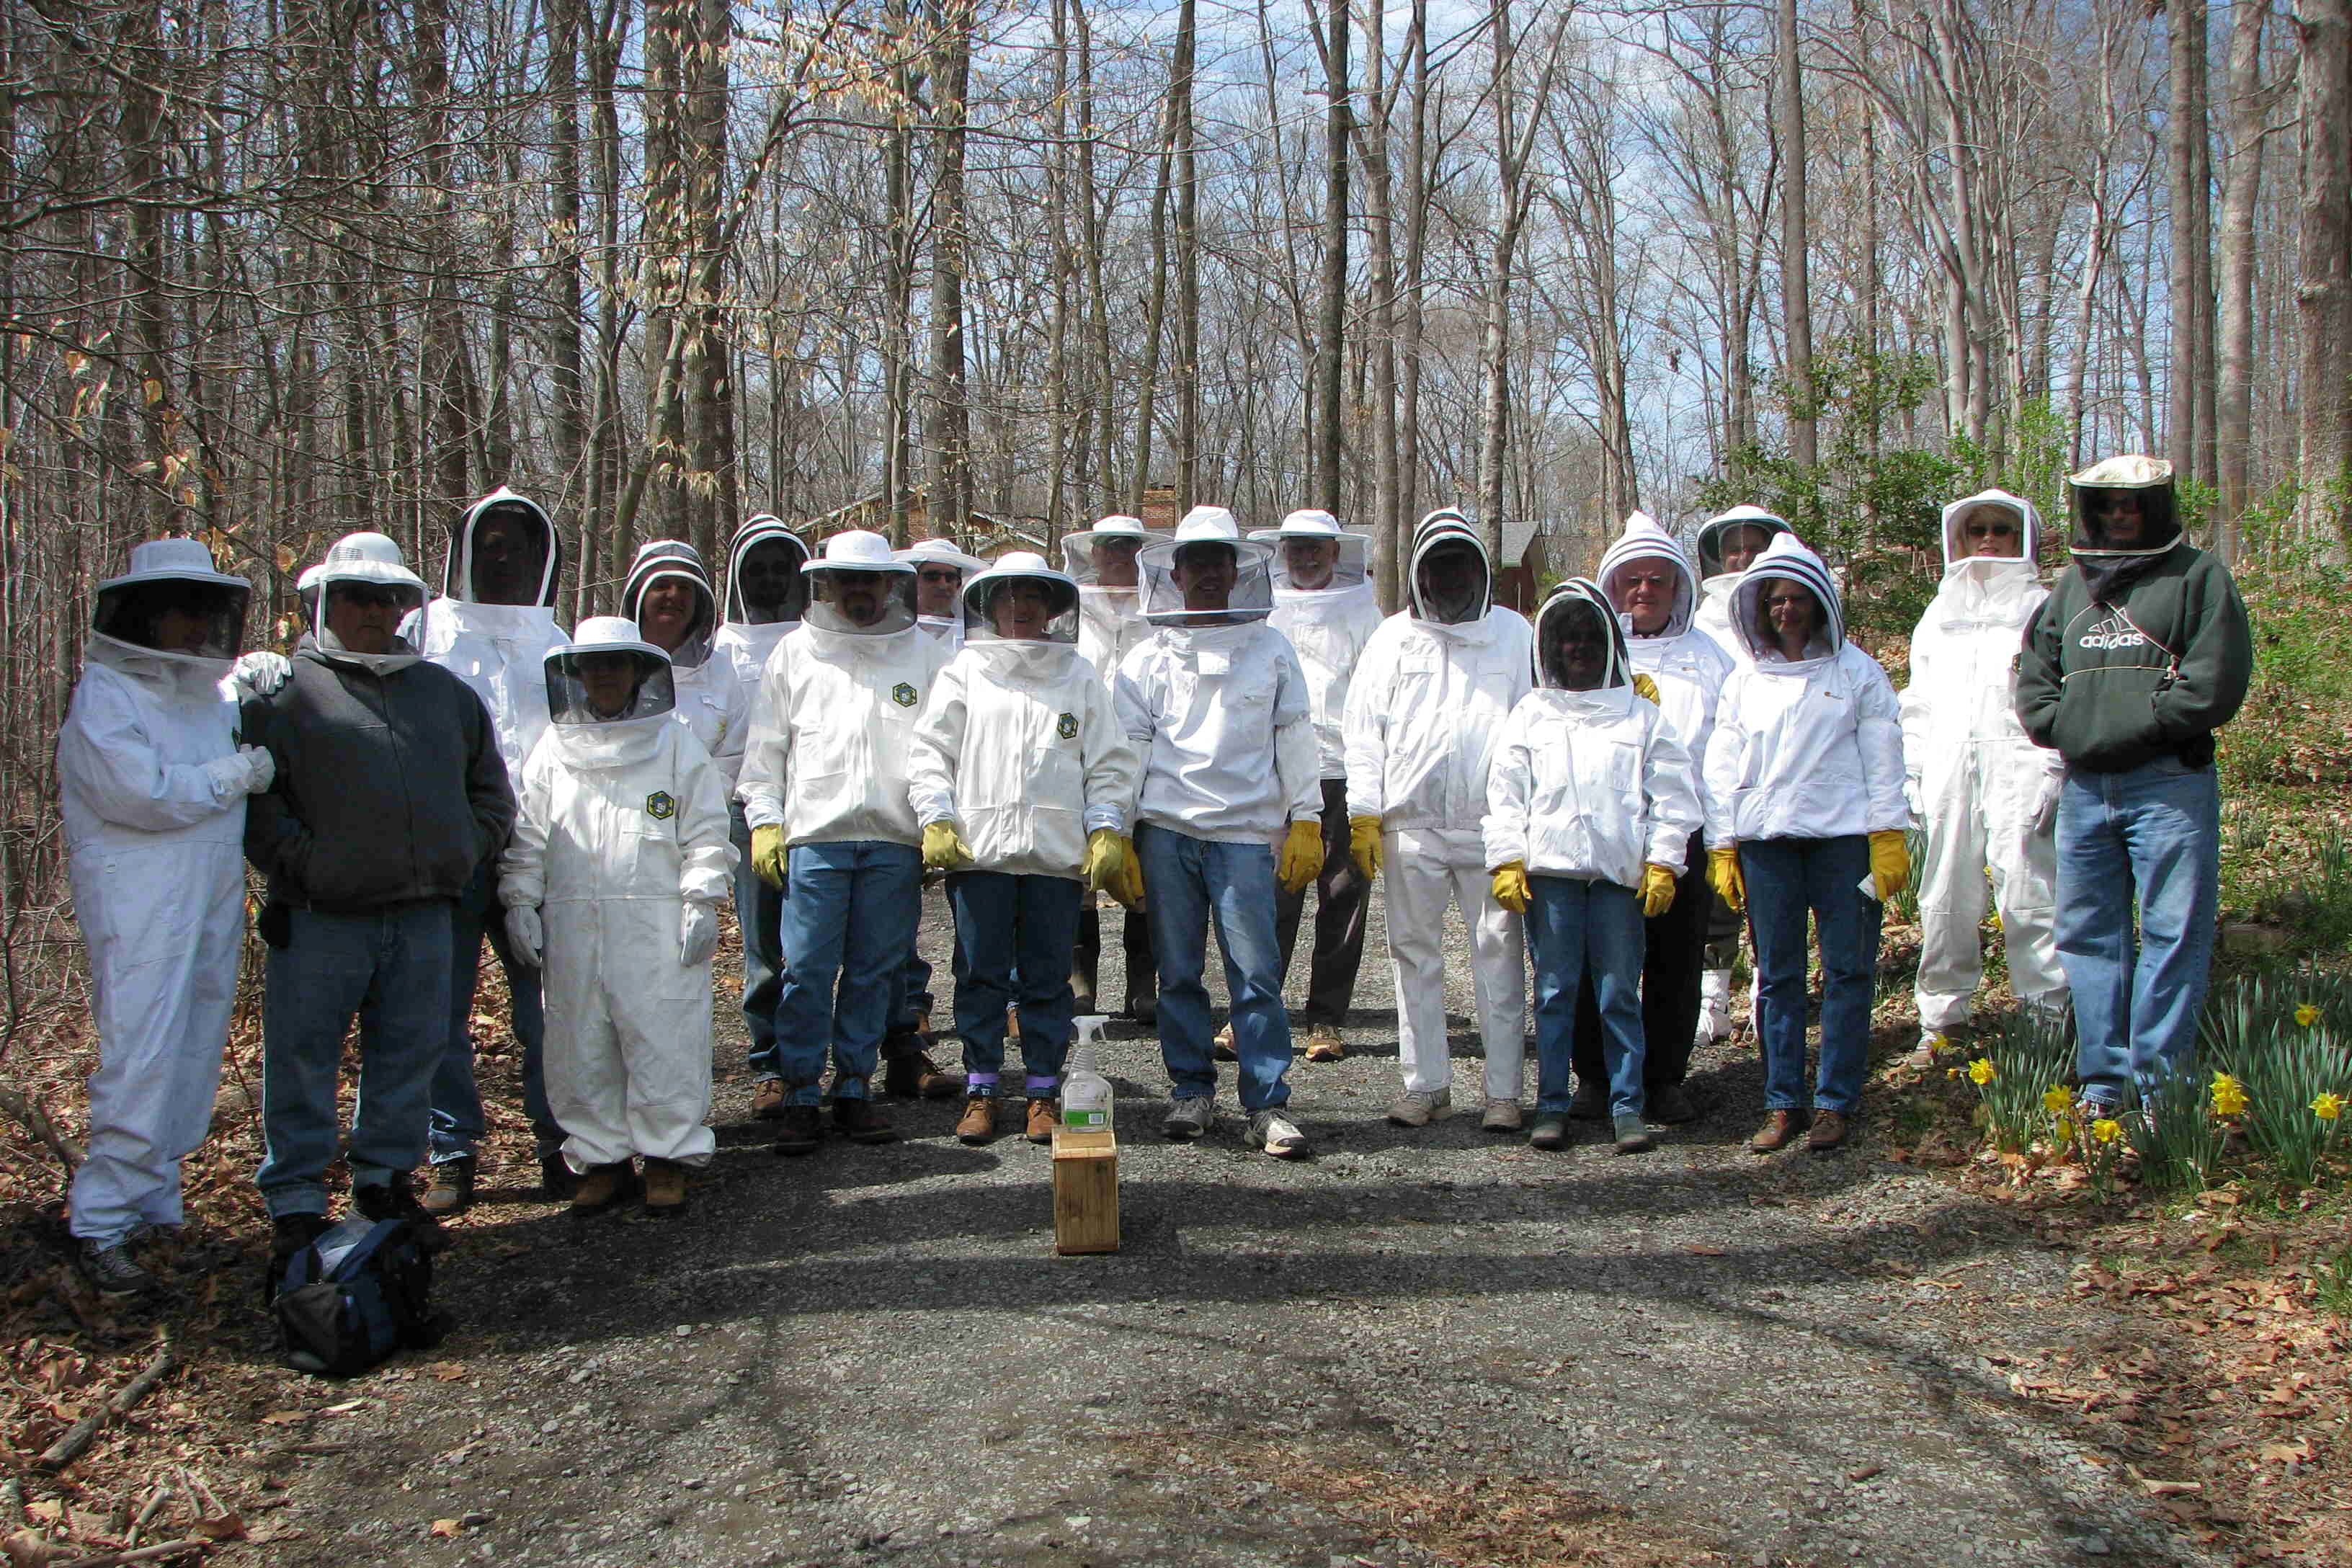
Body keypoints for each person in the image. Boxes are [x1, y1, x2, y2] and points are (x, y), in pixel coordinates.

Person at [241, 533, 513, 1266]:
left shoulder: (445, 694)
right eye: (357, 596)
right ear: (322, 600)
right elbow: (258, 801)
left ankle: (385, 1181)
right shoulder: (284, 695)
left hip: (424, 912)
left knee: (409, 1054)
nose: (374, 611)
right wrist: (309, 865)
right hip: (320, 916)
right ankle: (296, 1200)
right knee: (301, 1059)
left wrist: (462, 849)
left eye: (388, 598)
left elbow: (491, 795)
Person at [58, 540, 274, 1297]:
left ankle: (155, 1198)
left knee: (192, 1044)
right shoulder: (107, 693)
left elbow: (227, 721)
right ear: (145, 613)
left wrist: (262, 680)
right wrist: (233, 773)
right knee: (143, 1046)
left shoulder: (202, 699)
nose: (193, 625)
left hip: (207, 891)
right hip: (140, 897)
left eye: (202, 609)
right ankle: (102, 1220)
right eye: (181, 609)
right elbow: (140, 794)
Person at [2016, 455, 2252, 1115]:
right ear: (2092, 510)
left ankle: (2159, 1091)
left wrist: (2144, 724)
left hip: (2169, 782)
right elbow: (2036, 678)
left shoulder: (2199, 577)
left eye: (2135, 504)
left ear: (2157, 507)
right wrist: (2071, 728)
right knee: (2088, 937)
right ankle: (2103, 1084)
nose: (2122, 515)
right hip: (2087, 788)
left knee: (2174, 934)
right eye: (2110, 505)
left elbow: (2217, 679)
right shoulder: (2070, 587)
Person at [499, 618, 734, 1217]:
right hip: (573, 917)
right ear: (575, 675)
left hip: (657, 918)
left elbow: (707, 830)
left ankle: (667, 1157)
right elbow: (527, 834)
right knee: (580, 1041)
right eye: (593, 666)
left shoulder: (676, 743)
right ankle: (602, 1158)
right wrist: (520, 899)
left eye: (616, 664)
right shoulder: (552, 749)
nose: (604, 675)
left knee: (664, 1037)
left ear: (638, 671)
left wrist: (702, 898)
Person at [907, 553, 1141, 1145]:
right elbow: (931, 752)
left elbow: (1110, 762)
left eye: (1034, 598)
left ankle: (1042, 1091)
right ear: (989, 606)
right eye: (1009, 597)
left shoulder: (1079, 674)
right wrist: (936, 817)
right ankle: (982, 1087)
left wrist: (1107, 827)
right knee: (980, 974)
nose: (1021, 608)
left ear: (1053, 609)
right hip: (979, 853)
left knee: (1046, 979)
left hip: (1054, 855)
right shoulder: (964, 671)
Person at [1114, 505, 1323, 1157]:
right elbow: (1129, 749)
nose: (1207, 572)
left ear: (1237, 571)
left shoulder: (1271, 647)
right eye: (1195, 562)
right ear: (1174, 573)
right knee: (1176, 971)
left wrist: (1307, 815)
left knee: (1256, 973)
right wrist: (1116, 831)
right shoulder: (1145, 656)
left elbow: (1293, 734)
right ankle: (1190, 1091)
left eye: (1218, 561)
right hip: (1167, 830)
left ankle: (1267, 1103)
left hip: (1243, 834)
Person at [738, 530, 949, 1154]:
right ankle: (801, 1091)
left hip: (893, 841)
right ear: (827, 585)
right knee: (805, 971)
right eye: (847, 580)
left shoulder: (926, 656)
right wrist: (766, 821)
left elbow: (943, 749)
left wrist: (940, 819)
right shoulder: (793, 655)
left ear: (890, 585)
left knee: (873, 973)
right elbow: (765, 753)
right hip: (816, 840)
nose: (859, 591)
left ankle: (855, 1087)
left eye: (870, 580)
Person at [1703, 535, 1909, 1154]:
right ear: (1759, 609)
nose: (1787, 611)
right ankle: (1782, 1100)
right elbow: (1723, 766)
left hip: (1843, 843)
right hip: (1767, 844)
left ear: (1820, 604)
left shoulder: (1858, 671)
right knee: (1779, 974)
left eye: (1798, 599)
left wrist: (1889, 834)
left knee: (1848, 972)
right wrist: (1723, 844)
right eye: (1775, 601)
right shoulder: (1744, 680)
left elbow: (1884, 758)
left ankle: (1836, 1101)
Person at [1486, 580, 1701, 1154]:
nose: (1577, 647)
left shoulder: (1641, 716)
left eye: (1587, 636)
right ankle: (1552, 1106)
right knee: (1554, 994)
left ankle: (1626, 1106)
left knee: (1618, 994)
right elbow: (1505, 796)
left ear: (1608, 643)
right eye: (1566, 639)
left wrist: (1664, 863)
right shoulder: (1529, 714)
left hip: (1617, 881)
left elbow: (1673, 797)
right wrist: (1506, 857)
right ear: (1549, 649)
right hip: (1552, 878)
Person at [1343, 509, 1534, 1131]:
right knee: (1413, 956)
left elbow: (1538, 727)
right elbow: (1363, 734)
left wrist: (1523, 822)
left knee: (1500, 955)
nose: (1449, 576)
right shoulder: (1391, 639)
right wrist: (1365, 814)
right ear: (1421, 573)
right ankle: (1425, 1084)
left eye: (1460, 564)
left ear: (1479, 570)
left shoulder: (1514, 635)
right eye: (1438, 565)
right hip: (1411, 825)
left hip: (1493, 827)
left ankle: (1503, 1091)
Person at [409, 487, 569, 1214]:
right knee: (439, 1007)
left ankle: (557, 1139)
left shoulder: (558, 643)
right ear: (466, 550)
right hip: (445, 849)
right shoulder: (422, 633)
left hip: (539, 849)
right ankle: (452, 1150)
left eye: (520, 542)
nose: (505, 554)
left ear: (545, 556)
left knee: (547, 1007)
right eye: (493, 540)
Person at [1903, 490, 2070, 1060]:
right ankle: (1942, 1019)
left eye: (2002, 528)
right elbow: (1919, 700)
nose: (1990, 540)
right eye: (1979, 531)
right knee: (1944, 892)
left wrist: (2053, 766)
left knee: (2029, 891)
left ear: (2024, 536)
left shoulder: (2044, 607)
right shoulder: (1938, 614)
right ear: (1960, 539)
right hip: (1950, 762)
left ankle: (2046, 1017)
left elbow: (2060, 693)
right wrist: (1913, 768)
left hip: (2019, 760)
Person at [1582, 512, 1735, 1123]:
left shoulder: (1712, 658)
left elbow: (1726, 749)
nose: (1644, 591)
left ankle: (1665, 1076)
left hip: (1685, 828)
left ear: (1679, 589)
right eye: (1632, 581)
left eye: (1658, 581)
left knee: (1675, 955)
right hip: (1603, 826)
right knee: (1600, 962)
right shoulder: (1584, 647)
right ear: (1612, 585)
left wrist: (1721, 840)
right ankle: (1595, 1077)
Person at [1237, 509, 1385, 1063]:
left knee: (1343, 896)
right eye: (1296, 548)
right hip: (1276, 771)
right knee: (1271, 896)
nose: (1305, 558)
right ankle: (1253, 1011)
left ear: (1335, 553)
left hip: (1345, 770)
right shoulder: (1262, 610)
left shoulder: (1365, 614)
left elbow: (1375, 699)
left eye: (1316, 549)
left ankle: (1326, 1019)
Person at [883, 537, 989, 1095]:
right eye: (932, 576)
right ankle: (910, 1017)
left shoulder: (974, 638)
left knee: (974, 916)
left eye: (952, 577)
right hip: (894, 796)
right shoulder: (889, 636)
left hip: (967, 796)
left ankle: (993, 1014)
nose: (944, 586)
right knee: (900, 927)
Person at [711, 514, 810, 1119]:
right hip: (749, 812)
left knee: (820, 948)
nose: (771, 580)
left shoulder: (820, 638)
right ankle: (770, 1064)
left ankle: (830, 1062)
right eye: (758, 570)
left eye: (782, 569)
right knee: (763, 947)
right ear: (738, 578)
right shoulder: (719, 648)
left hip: (822, 808)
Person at [1688, 503, 1791, 1046]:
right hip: (1714, 782)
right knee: (1716, 896)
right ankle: (1712, 997)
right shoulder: (1700, 622)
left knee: (1773, 898)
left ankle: (1767, 997)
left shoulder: (1790, 609)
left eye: (1756, 546)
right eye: (1735, 547)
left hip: (1779, 781)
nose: (1743, 556)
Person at [1063, 514, 1165, 1021]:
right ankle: (1081, 980)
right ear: (1093, 553)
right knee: (1080, 871)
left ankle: (1142, 985)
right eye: (1110, 547)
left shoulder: (1159, 612)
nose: (1119, 556)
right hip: (1077, 758)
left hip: (1146, 760)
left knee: (1141, 875)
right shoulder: (1071, 611)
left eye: (1128, 547)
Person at [623, 540, 746, 787]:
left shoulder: (720, 671)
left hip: (702, 816)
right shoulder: (610, 665)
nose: (674, 595)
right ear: (640, 593)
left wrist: (694, 805)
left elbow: (734, 757)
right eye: (661, 586)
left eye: (684, 588)